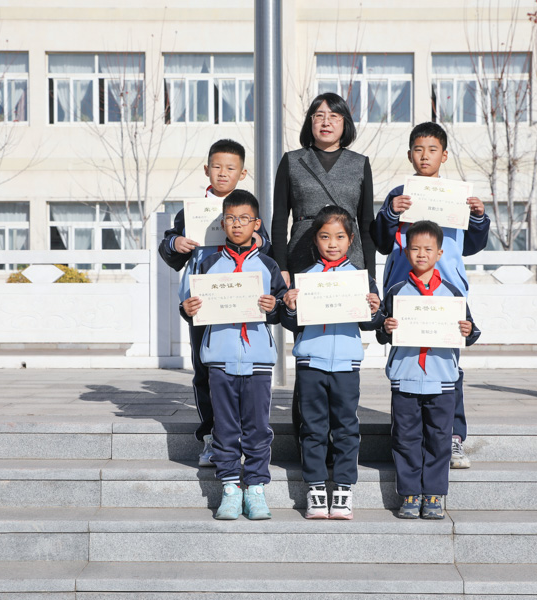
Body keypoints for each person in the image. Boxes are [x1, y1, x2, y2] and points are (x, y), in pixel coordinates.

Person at [370, 121, 489, 470]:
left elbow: (471, 246)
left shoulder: (457, 195)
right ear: (410, 154)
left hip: (445, 289)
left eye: (432, 150)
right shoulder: (399, 194)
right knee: (406, 362)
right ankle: (407, 436)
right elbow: (382, 241)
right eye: (419, 150)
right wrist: (390, 213)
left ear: (444, 155)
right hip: (405, 289)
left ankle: (452, 437)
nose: (425, 156)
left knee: (448, 365)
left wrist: (479, 217)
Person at [271, 92, 376, 449]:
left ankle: (340, 434)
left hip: (349, 258)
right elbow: (279, 218)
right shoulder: (292, 160)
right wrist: (282, 268)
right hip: (304, 258)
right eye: (318, 115)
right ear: (310, 122)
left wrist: (368, 275)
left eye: (334, 116)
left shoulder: (360, 163)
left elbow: (366, 222)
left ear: (345, 123)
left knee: (342, 345)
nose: (326, 121)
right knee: (308, 346)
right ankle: (308, 439)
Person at [159, 139, 270, 468]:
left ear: (243, 173)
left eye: (231, 168)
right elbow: (169, 246)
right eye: (217, 167)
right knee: (206, 370)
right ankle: (211, 436)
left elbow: (268, 248)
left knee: (244, 371)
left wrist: (260, 241)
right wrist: (176, 242)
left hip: (243, 300)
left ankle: (244, 437)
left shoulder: (250, 209)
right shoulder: (191, 210)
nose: (223, 173)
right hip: (204, 303)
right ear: (206, 169)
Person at [180, 190, 287, 521]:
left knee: (257, 428)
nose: (237, 224)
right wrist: (187, 309)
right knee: (225, 427)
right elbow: (191, 308)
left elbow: (282, 309)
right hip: (219, 358)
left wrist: (274, 307)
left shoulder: (268, 265)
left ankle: (255, 488)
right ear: (222, 223)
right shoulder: (208, 264)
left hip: (257, 360)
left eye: (244, 219)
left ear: (256, 224)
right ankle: (229, 487)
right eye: (230, 218)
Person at [279, 206, 384, 520]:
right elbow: (290, 322)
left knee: (346, 428)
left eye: (339, 237)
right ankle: (314, 488)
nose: (332, 243)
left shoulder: (361, 280)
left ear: (350, 239)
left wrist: (375, 310)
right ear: (315, 240)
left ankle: (343, 489)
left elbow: (370, 324)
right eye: (325, 237)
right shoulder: (305, 280)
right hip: (311, 362)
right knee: (312, 429)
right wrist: (290, 307)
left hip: (346, 365)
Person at [376, 220, 481, 519]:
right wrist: (386, 327)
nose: (421, 254)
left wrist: (467, 330)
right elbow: (381, 334)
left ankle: (434, 494)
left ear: (440, 253)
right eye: (415, 249)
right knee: (405, 439)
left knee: (439, 439)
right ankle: (410, 493)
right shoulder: (396, 292)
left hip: (442, 380)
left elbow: (472, 332)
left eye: (428, 249)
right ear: (406, 252)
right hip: (405, 378)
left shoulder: (453, 293)